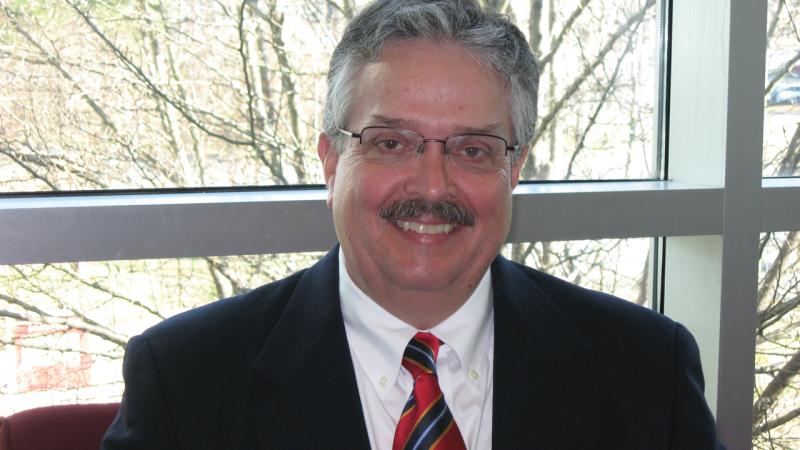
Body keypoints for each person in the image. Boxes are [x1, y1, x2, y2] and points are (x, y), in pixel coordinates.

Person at [102, 1, 725, 449]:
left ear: (514, 170)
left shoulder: (647, 369)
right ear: (330, 161)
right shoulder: (186, 378)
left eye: (474, 149)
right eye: (392, 143)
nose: (432, 187)